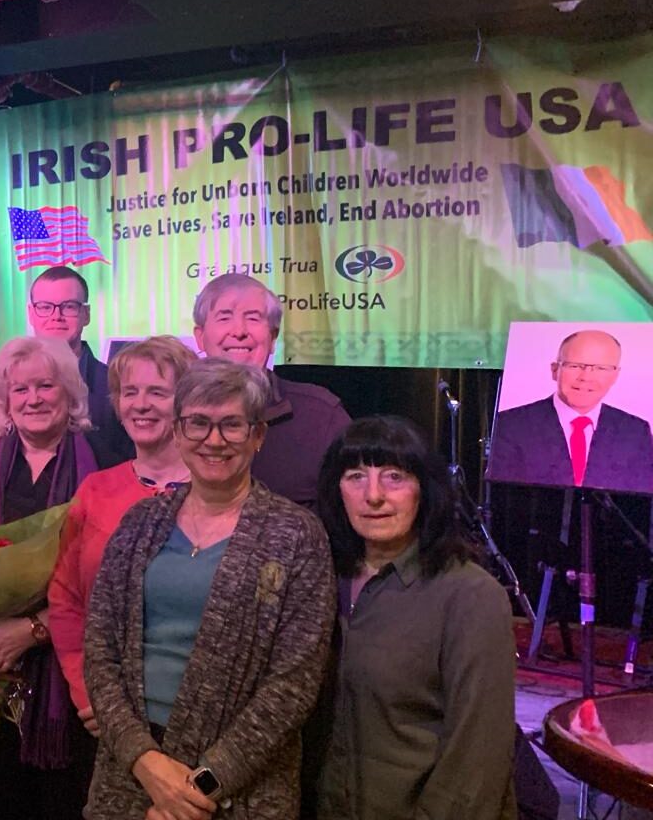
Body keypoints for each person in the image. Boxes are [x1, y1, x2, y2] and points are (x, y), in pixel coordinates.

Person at [83, 359, 334, 820]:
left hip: (238, 791)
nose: (213, 440)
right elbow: (100, 650)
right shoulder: (139, 524)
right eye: (198, 423)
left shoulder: (297, 535)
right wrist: (146, 764)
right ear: (178, 432)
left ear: (257, 435)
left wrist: (197, 788)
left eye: (231, 425)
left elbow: (293, 685)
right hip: (132, 774)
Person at [0, 336, 119, 819]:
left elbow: (114, 575)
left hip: (71, 675)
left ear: (71, 394)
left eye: (46, 386)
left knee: (63, 801)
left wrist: (33, 630)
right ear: (4, 400)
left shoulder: (104, 460)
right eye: (20, 390)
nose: (33, 398)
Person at [315, 416, 517, 820]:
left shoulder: (470, 596)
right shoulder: (319, 579)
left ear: (425, 490)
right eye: (356, 476)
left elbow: (476, 761)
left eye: (394, 477)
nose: (373, 496)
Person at [47, 335, 198, 735]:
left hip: (196, 713)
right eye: (129, 392)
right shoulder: (96, 490)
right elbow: (66, 600)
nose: (140, 404)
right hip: (105, 712)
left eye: (157, 392)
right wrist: (88, 693)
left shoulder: (215, 493)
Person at [192, 273, 350, 509]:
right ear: (200, 337)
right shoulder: (173, 415)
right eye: (224, 318)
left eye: (253, 318)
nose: (239, 331)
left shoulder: (320, 416)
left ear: (273, 337)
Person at [0, 266, 133, 460]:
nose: (56, 316)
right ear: (31, 314)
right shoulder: (0, 392)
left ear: (86, 314)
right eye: (45, 307)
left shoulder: (116, 386)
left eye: (69, 306)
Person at [487, 329, 653, 492]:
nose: (586, 377)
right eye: (575, 366)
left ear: (615, 375)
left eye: (601, 368)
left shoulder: (636, 431)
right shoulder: (509, 425)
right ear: (554, 370)